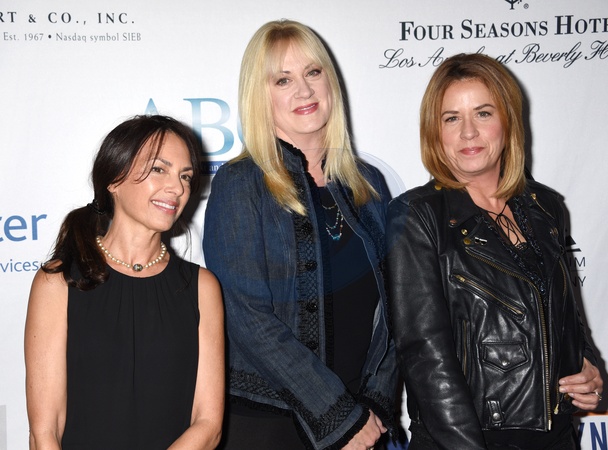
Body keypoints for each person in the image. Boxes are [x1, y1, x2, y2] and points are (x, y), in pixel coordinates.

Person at [386, 53, 603, 449]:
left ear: (508, 121)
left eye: (483, 113)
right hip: (467, 440)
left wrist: (586, 365)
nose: (468, 132)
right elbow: (425, 355)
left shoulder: (546, 207)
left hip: (556, 437)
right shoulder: (417, 216)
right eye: (451, 118)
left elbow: (567, 310)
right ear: (435, 131)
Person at [203, 19, 397, 450]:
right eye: (283, 80)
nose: (304, 91)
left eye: (313, 72)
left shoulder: (369, 183)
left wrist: (374, 407)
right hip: (270, 426)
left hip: (364, 424)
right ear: (260, 96)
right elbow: (246, 317)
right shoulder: (240, 184)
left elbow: (396, 307)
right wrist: (340, 417)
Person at [25, 115, 225, 450]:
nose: (178, 188)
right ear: (114, 179)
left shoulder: (202, 288)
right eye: (159, 169)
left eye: (185, 176)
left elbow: (208, 424)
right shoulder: (57, 282)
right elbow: (44, 431)